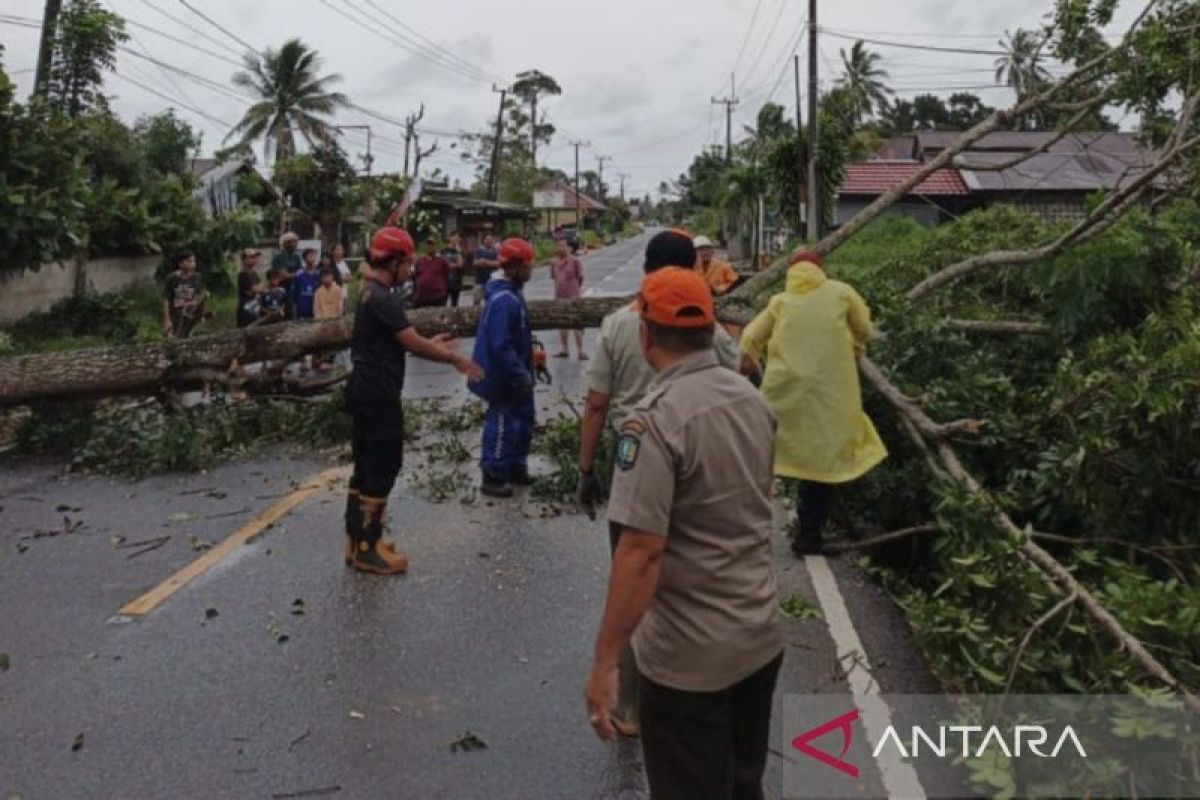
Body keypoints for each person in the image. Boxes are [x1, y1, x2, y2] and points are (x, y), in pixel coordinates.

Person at [583, 267, 782, 800]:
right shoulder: (753, 402)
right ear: (710, 327)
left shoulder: (654, 423)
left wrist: (606, 663)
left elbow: (641, 553)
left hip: (689, 663)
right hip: (759, 639)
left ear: (646, 335)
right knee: (744, 783)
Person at [574, 228, 743, 738]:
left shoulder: (617, 324)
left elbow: (597, 403)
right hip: (699, 466)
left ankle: (631, 708)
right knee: (690, 582)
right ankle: (693, 700)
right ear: (692, 267)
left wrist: (585, 470)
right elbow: (737, 382)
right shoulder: (709, 329)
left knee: (632, 582)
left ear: (646, 267)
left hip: (634, 465)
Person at [344, 226, 484, 575]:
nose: (411, 268)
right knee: (383, 464)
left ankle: (358, 539)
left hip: (364, 386)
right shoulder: (383, 297)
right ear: (392, 262)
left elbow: (395, 340)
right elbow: (410, 341)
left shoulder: (369, 293)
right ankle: (367, 549)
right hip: (378, 392)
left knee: (364, 465)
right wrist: (453, 359)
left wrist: (432, 342)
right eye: (407, 262)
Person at [740, 250, 888, 557]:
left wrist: (752, 373)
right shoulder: (841, 293)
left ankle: (745, 533)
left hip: (782, 394)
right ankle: (809, 537)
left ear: (791, 273)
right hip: (829, 395)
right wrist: (856, 349)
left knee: (766, 458)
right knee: (821, 467)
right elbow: (864, 327)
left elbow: (749, 339)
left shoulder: (780, 301)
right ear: (821, 269)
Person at [467, 238, 536, 499]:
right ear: (516, 266)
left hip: (517, 370)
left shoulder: (512, 292)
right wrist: (519, 372)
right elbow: (500, 344)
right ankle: (493, 473)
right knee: (503, 421)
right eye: (529, 264)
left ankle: (516, 465)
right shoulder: (504, 299)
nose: (532, 269)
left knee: (525, 419)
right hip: (503, 374)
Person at [549, 238, 586, 359]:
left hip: (573, 296)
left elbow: (580, 277)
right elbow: (555, 279)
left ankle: (580, 351)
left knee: (576, 323)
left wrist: (576, 290)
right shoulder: (554, 263)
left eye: (564, 246)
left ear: (569, 248)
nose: (561, 248)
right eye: (559, 246)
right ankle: (564, 349)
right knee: (562, 323)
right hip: (560, 296)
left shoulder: (574, 261)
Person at [162, 251, 208, 338]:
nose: (193, 264)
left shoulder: (197, 277)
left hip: (191, 315)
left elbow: (199, 297)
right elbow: (166, 299)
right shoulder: (172, 279)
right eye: (189, 261)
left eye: (194, 261)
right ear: (181, 264)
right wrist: (167, 319)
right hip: (176, 316)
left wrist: (201, 314)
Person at [412, 235, 452, 308]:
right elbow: (415, 277)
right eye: (428, 244)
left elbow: (447, 276)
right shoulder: (420, 261)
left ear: (436, 246)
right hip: (422, 298)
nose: (430, 247)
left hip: (437, 297)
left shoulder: (442, 261)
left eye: (432, 244)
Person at [272, 232, 303, 318]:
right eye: (294, 242)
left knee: (293, 314)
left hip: (294, 291)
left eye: (296, 242)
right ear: (286, 243)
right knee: (283, 315)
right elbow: (283, 275)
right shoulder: (279, 257)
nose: (296, 244)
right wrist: (296, 274)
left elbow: (300, 272)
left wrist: (293, 274)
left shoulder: (296, 257)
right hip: (282, 290)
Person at [236, 248, 264, 328]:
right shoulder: (243, 274)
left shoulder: (254, 273)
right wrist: (257, 289)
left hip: (255, 309)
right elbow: (256, 289)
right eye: (252, 257)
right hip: (246, 311)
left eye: (255, 257)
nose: (255, 259)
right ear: (244, 259)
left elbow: (262, 288)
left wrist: (258, 289)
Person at [472, 232, 500, 305]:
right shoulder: (479, 250)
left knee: (490, 300)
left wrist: (485, 262)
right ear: (483, 240)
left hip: (491, 280)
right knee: (476, 300)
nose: (489, 241)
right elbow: (475, 262)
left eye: (491, 239)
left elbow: (498, 263)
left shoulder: (495, 251)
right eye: (487, 239)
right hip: (479, 281)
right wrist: (482, 262)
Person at [293, 249, 322, 320]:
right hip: (303, 306)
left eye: (314, 256)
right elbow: (295, 292)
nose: (313, 258)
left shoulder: (319, 273)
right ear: (304, 259)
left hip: (316, 305)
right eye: (310, 256)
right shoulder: (299, 273)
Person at [443, 231, 465, 308]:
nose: (456, 240)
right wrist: (454, 265)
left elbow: (461, 264)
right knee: (443, 302)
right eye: (454, 237)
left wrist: (459, 251)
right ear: (450, 238)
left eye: (457, 238)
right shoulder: (444, 251)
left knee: (455, 304)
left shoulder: (460, 252)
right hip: (445, 281)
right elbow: (444, 264)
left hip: (456, 281)